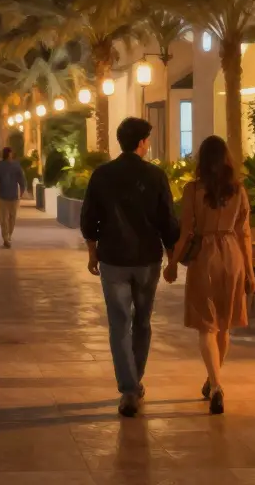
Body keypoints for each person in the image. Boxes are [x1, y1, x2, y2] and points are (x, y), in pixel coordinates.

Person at [80, 117, 179, 418]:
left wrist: (92, 252)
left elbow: (89, 218)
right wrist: (173, 258)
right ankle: (135, 383)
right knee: (143, 321)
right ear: (141, 143)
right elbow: (167, 222)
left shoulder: (102, 175)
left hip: (113, 259)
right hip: (147, 260)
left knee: (119, 324)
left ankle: (128, 389)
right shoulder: (155, 176)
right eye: (147, 139)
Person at [165, 135, 253, 416]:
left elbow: (186, 231)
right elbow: (245, 233)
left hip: (205, 255)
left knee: (207, 325)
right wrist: (250, 272)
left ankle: (216, 385)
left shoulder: (194, 190)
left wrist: (172, 263)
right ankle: (213, 380)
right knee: (224, 326)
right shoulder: (238, 190)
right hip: (232, 254)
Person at [0, 147, 27, 248]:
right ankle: (6, 238)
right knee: (6, 219)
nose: (11, 155)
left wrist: (22, 189)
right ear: (8, 155)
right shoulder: (0, 166)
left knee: (10, 218)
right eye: (10, 153)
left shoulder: (15, 165)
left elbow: (21, 179)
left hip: (11, 196)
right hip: (4, 196)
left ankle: (8, 236)